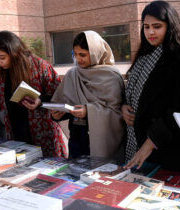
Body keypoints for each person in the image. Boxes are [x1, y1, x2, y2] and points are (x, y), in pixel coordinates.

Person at [0, 30, 67, 157]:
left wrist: (40, 101)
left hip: (44, 135)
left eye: (2, 57)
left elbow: (60, 95)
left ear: (14, 53)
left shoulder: (40, 67)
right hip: (15, 137)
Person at [122, 0, 180, 173]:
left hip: (167, 148)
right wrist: (124, 107)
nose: (150, 32)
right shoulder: (144, 55)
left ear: (170, 26)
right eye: (146, 26)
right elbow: (132, 91)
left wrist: (151, 141)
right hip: (137, 139)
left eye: (157, 26)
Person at [51, 31, 125, 159]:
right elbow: (63, 104)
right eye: (76, 54)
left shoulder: (112, 77)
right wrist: (57, 115)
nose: (78, 59)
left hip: (104, 143)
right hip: (77, 140)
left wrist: (88, 111)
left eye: (83, 55)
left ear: (95, 53)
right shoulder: (72, 74)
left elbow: (118, 114)